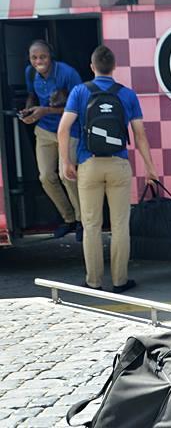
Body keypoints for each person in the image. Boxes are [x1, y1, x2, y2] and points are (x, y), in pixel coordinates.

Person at [57, 45, 158, 293]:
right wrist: (150, 168)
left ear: (92, 67)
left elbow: (63, 129)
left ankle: (93, 282)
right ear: (114, 67)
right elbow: (140, 135)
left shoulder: (80, 91)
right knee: (120, 225)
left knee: (91, 225)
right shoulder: (127, 94)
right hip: (118, 164)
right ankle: (120, 281)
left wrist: (66, 162)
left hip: (89, 164)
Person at [21, 40, 83, 240]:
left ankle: (82, 221)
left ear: (51, 57)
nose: (38, 61)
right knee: (46, 177)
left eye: (43, 57)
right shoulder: (30, 72)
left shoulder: (68, 73)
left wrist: (45, 111)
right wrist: (28, 110)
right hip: (44, 130)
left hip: (69, 129)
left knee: (67, 175)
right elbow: (31, 95)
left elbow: (80, 106)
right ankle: (69, 218)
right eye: (34, 57)